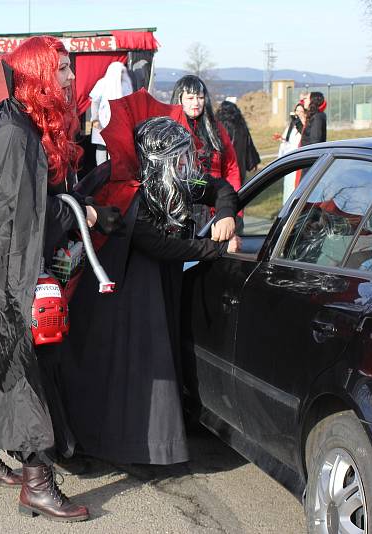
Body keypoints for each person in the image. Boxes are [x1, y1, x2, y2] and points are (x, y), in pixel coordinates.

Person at [0, 36, 121, 523]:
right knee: (27, 369)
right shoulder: (17, 135)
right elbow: (27, 222)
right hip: (10, 273)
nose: (71, 78)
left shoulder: (9, 122)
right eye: (63, 69)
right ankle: (37, 483)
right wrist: (80, 212)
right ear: (41, 75)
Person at [60, 93, 239, 468]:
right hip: (120, 292)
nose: (183, 165)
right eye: (176, 158)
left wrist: (225, 214)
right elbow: (155, 243)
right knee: (128, 366)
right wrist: (211, 249)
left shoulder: (168, 179)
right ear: (158, 158)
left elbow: (219, 187)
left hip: (155, 286)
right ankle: (126, 443)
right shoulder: (124, 185)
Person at [171, 76, 240, 227]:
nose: (196, 102)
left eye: (200, 97)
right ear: (179, 99)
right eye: (190, 98)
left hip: (215, 207)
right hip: (179, 208)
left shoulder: (216, 129)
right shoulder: (170, 130)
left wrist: (234, 212)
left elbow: (231, 168)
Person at [89, 61, 133, 166]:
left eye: (123, 72)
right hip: (101, 120)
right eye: (120, 72)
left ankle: (115, 170)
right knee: (102, 146)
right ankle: (101, 170)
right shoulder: (103, 83)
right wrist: (95, 119)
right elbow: (95, 102)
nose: (122, 75)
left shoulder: (126, 85)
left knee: (117, 147)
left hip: (120, 122)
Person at [216, 100, 261, 186]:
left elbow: (248, 145)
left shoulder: (218, 128)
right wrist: (253, 161)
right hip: (239, 168)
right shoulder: (241, 127)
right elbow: (249, 145)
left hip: (225, 168)